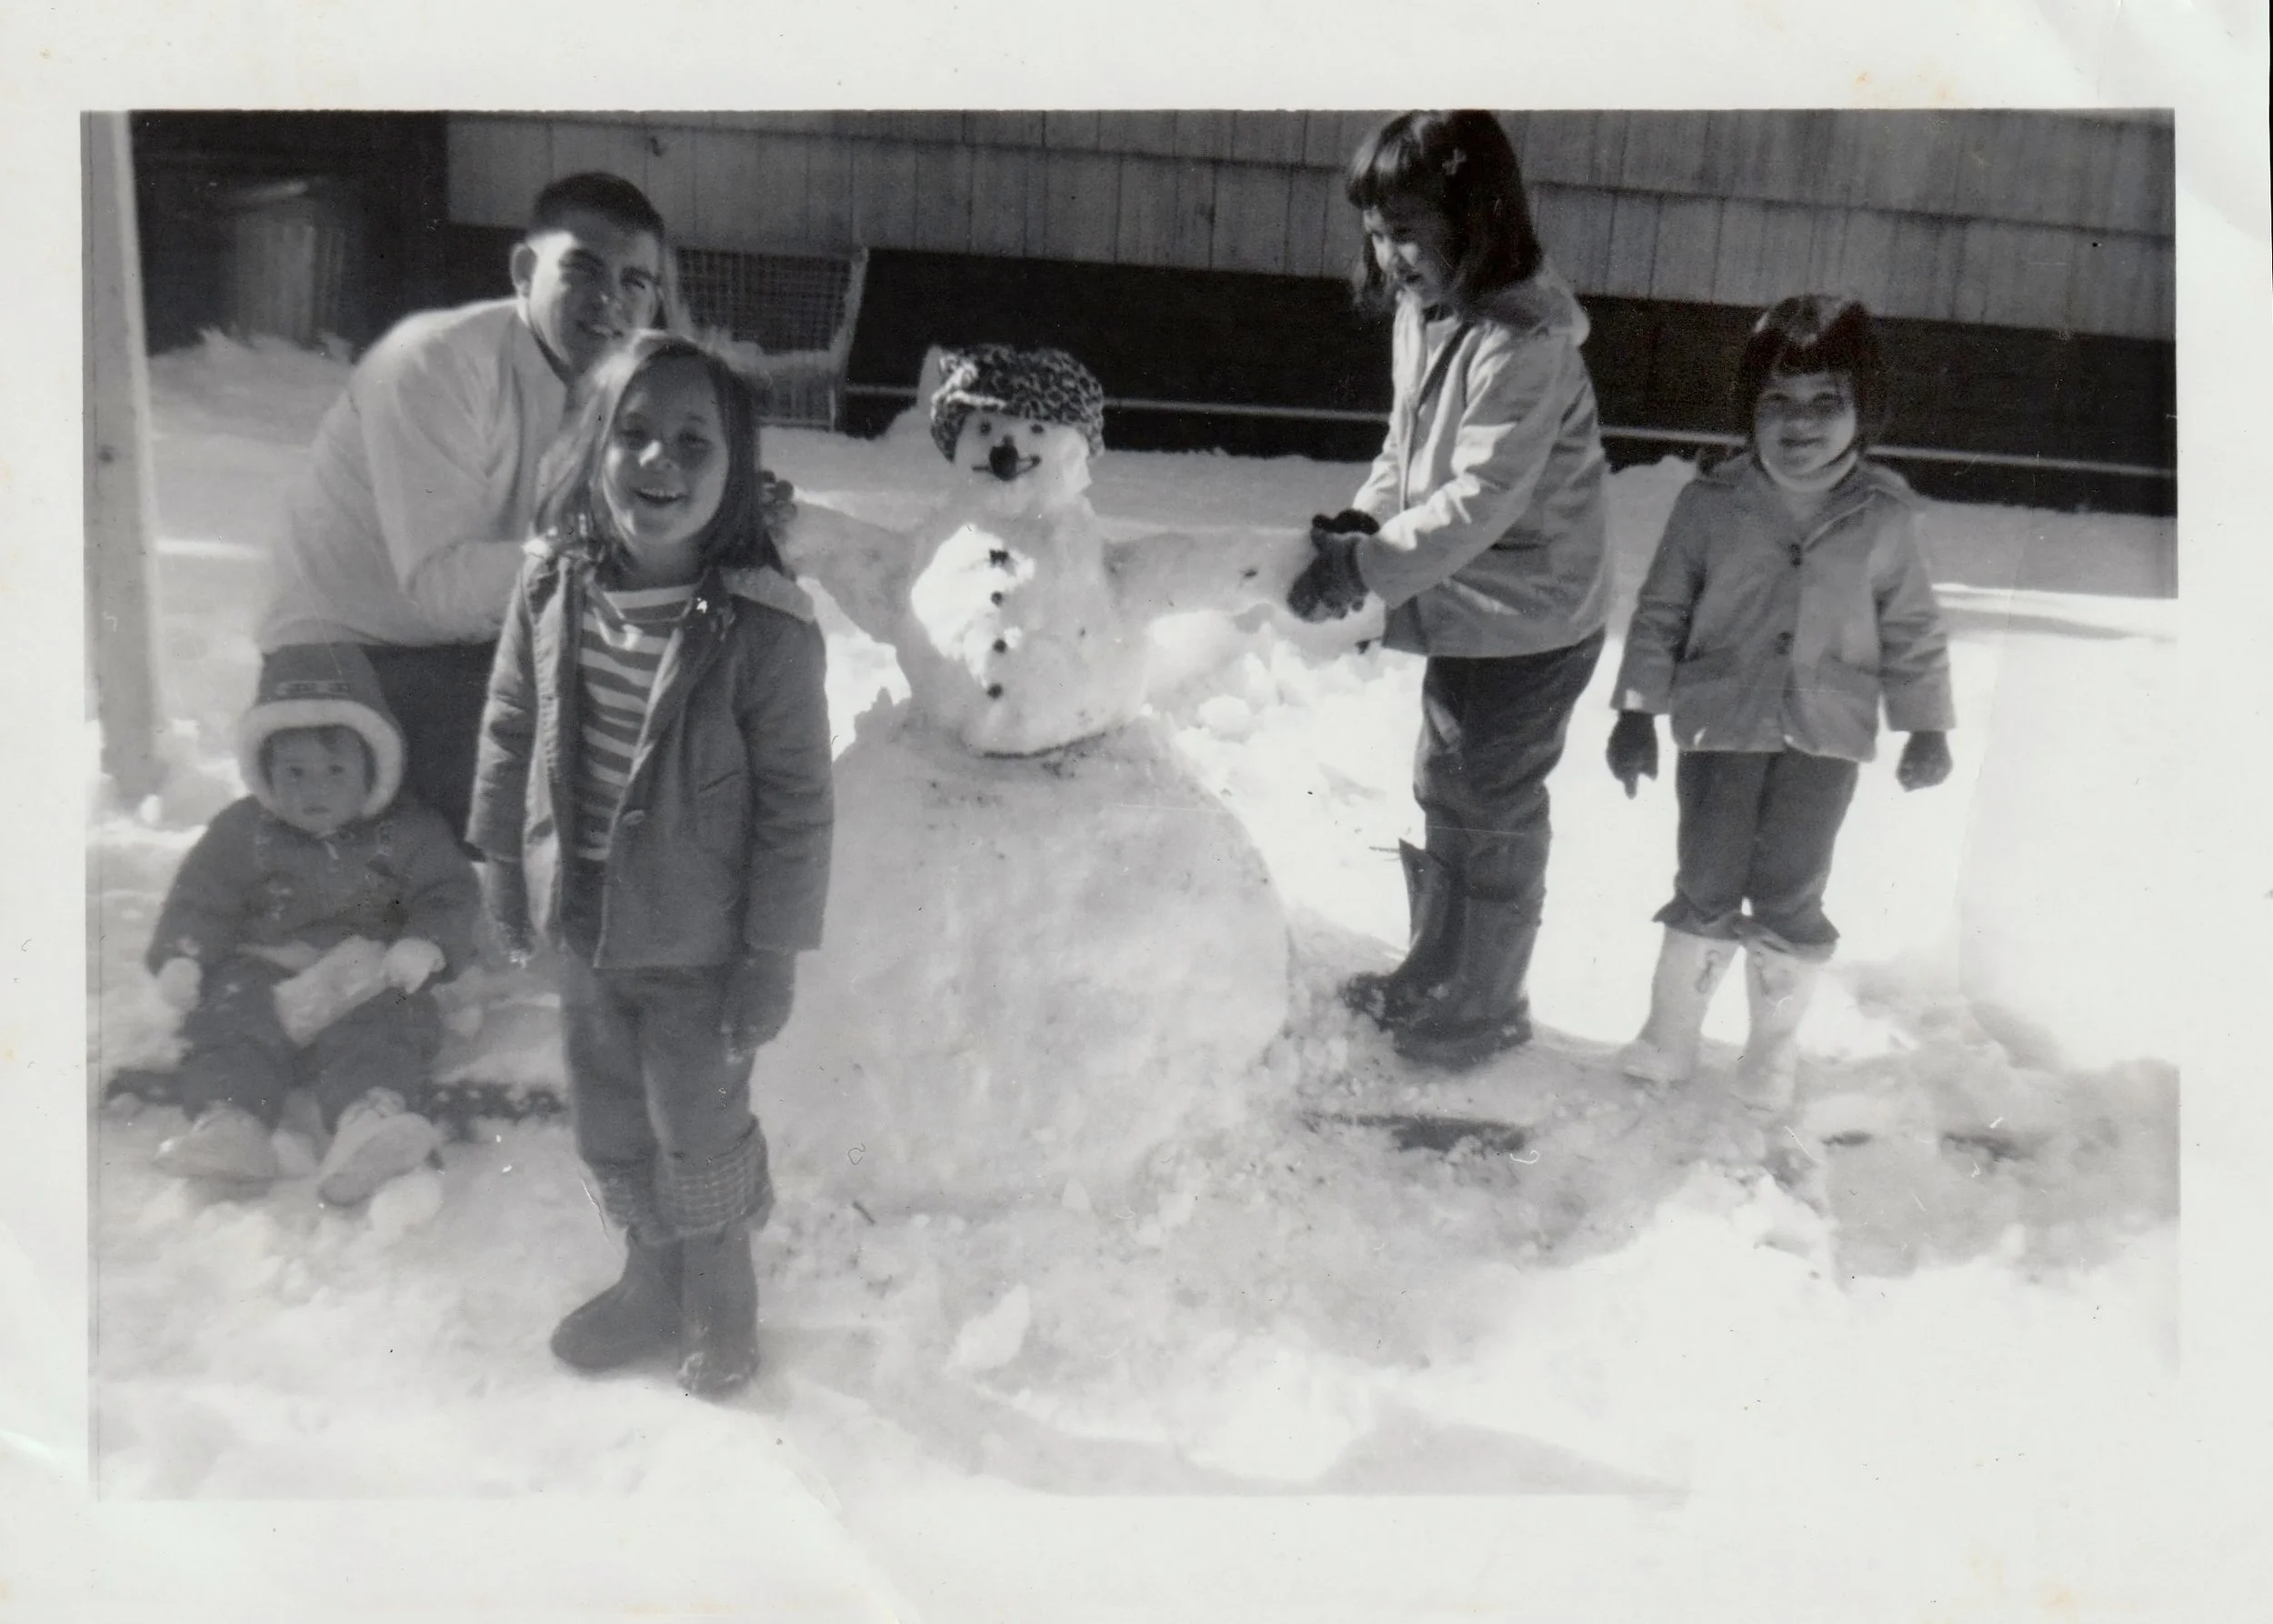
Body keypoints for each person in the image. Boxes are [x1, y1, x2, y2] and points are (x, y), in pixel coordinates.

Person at [468, 334, 834, 1400]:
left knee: (698, 1123)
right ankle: (650, 1277)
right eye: (632, 433)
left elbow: (798, 812)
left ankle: (720, 1293)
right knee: (608, 1118)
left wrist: (771, 954)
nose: (656, 462)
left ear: (732, 475)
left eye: (691, 442)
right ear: (591, 449)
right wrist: (500, 864)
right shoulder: (552, 595)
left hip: (701, 950)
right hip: (583, 931)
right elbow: (507, 727)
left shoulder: (765, 632)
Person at [1288, 110, 1613, 1072]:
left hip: (1536, 611)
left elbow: (1479, 497)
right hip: (1474, 603)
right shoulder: (1424, 313)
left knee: (1490, 794)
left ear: (1478, 218)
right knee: (1448, 776)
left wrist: (1370, 571)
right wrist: (1362, 526)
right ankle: (1438, 961)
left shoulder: (1525, 341)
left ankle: (1488, 995)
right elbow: (1404, 454)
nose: (1390, 254)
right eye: (1378, 231)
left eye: (1410, 229)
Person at [1605, 295, 1955, 1111]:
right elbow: (1662, 610)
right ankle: (1672, 1032)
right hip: (1721, 721)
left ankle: (1772, 1048)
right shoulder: (1709, 505)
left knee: (1793, 885)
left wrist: (1927, 724)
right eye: (1777, 403)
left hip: (1826, 733)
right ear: (1747, 411)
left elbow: (1914, 629)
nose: (1800, 423)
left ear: (1865, 411)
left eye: (1825, 402)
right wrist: (1634, 711)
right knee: (1707, 874)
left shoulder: (1888, 519)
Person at [258, 171, 674, 846]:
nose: (610, 301)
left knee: (671, 735)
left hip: (477, 648)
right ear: (524, 270)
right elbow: (441, 590)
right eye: (584, 269)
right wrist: (608, 556)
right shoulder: (435, 363)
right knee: (561, 799)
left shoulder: (624, 383)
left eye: (636, 282)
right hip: (343, 661)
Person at [145, 642, 480, 1204]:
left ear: (374, 766)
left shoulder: (408, 830)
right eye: (294, 771)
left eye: (334, 770)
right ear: (265, 771)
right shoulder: (243, 831)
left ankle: (367, 1123)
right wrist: (185, 954)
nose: (314, 788)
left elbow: (448, 892)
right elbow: (203, 898)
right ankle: (232, 1126)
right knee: (230, 1019)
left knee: (382, 1029)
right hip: (264, 970)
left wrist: (427, 943)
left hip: (365, 975)